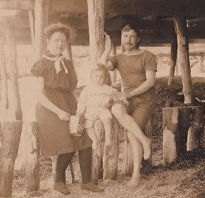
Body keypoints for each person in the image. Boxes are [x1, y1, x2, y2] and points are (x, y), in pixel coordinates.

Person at [31, 23, 104, 195]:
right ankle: (58, 181)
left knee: (84, 140)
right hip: (48, 109)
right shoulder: (41, 64)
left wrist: (81, 107)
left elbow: (72, 90)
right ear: (48, 42)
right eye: (56, 40)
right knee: (67, 142)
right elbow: (38, 95)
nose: (59, 44)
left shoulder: (68, 64)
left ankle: (87, 182)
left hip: (69, 105)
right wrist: (57, 111)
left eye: (63, 41)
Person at [99, 23, 157, 187]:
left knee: (132, 134)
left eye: (132, 36)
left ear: (138, 38)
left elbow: (151, 81)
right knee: (116, 108)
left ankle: (136, 175)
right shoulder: (118, 58)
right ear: (121, 38)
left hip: (144, 99)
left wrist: (130, 93)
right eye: (125, 36)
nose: (128, 40)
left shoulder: (147, 56)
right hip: (126, 98)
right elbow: (100, 69)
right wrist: (107, 50)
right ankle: (145, 140)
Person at [76, 64, 128, 149]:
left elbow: (116, 94)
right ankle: (94, 140)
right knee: (88, 125)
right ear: (91, 77)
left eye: (101, 76)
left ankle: (108, 138)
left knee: (106, 119)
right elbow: (82, 101)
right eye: (95, 76)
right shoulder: (87, 89)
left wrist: (123, 98)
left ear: (105, 78)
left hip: (102, 109)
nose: (98, 79)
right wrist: (79, 112)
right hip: (90, 110)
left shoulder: (107, 88)